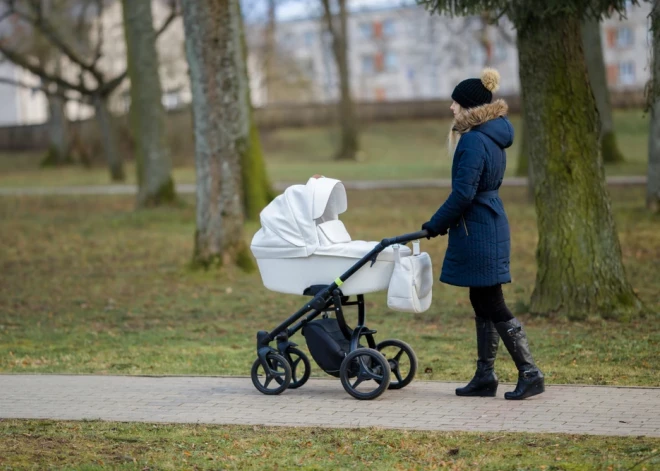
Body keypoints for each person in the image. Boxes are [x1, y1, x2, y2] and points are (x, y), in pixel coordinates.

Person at [421, 68, 544, 400]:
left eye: (455, 103)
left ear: (468, 107)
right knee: (481, 299)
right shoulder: (489, 136)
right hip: (484, 222)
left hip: (479, 226)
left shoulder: (474, 140)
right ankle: (485, 376)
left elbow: (464, 193)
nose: (451, 108)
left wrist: (435, 224)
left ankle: (530, 373)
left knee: (492, 300)